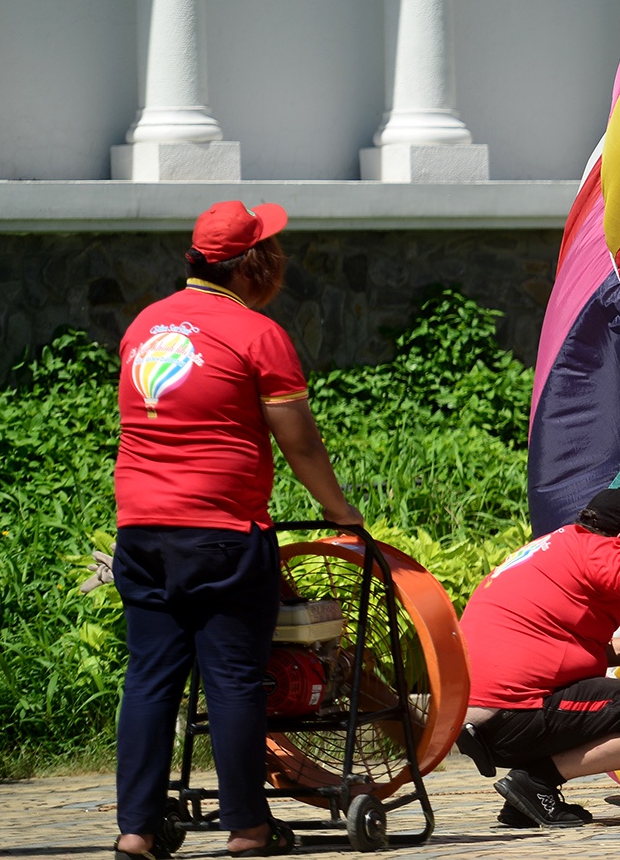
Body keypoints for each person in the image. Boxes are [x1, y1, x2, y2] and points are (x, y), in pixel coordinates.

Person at [113, 201, 363, 860]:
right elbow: (300, 443)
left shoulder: (143, 325)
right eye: (272, 249)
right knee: (232, 678)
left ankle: (135, 829)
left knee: (149, 678)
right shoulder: (257, 333)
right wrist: (341, 511)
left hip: (140, 531)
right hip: (221, 532)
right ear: (254, 262)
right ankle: (248, 827)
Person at [456, 488, 620, 828]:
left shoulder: (555, 545)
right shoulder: (600, 548)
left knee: (600, 698)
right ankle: (536, 781)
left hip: (476, 719)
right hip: (512, 712)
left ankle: (527, 800)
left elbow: (550, 640)